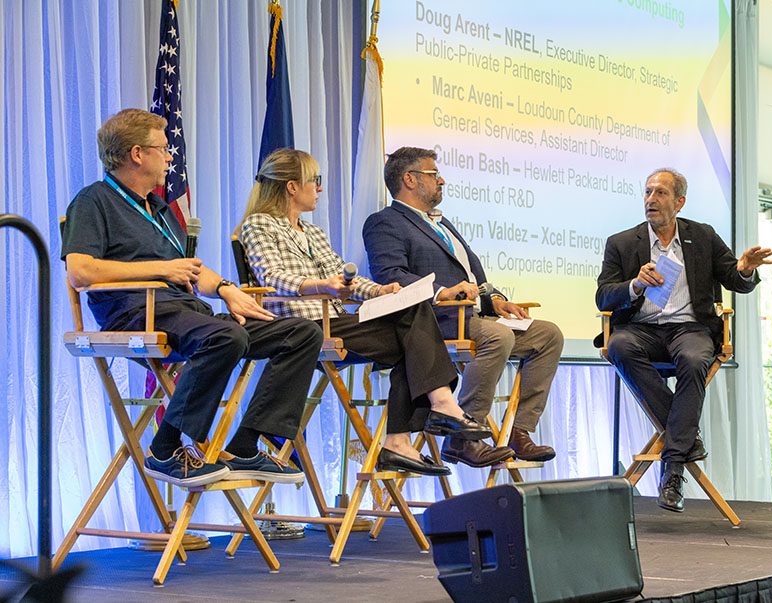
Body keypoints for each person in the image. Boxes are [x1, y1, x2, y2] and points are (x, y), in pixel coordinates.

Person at [61, 108, 324, 488]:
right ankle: (165, 449)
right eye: (163, 149)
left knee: (300, 333)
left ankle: (247, 444)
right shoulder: (93, 201)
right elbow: (81, 271)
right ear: (137, 153)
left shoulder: (160, 209)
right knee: (225, 337)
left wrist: (225, 290)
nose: (170, 157)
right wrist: (160, 270)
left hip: (184, 311)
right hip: (135, 311)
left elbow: (189, 269)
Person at [237, 148, 492, 476]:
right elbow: (272, 278)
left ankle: (402, 439)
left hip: (338, 320)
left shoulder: (311, 232)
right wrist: (322, 286)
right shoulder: (258, 225)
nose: (319, 188)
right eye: (315, 181)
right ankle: (434, 411)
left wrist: (381, 291)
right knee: (415, 339)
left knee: (413, 318)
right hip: (302, 325)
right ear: (291, 186)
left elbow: (346, 276)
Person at [363, 146, 564, 468]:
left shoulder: (442, 223)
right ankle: (463, 438)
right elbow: (391, 276)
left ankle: (520, 431)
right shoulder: (385, 222)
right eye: (433, 174)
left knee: (548, 335)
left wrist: (495, 299)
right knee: (498, 337)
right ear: (410, 179)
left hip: (475, 313)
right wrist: (443, 292)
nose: (441, 180)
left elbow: (471, 276)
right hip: (435, 320)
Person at [595, 168, 772, 512]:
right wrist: (634, 285)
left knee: (695, 359)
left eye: (660, 193)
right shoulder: (621, 243)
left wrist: (746, 269)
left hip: (689, 328)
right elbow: (603, 297)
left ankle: (672, 470)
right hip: (641, 329)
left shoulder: (703, 236)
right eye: (647, 192)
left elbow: (733, 277)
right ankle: (685, 440)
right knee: (618, 346)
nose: (651, 199)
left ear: (679, 202)